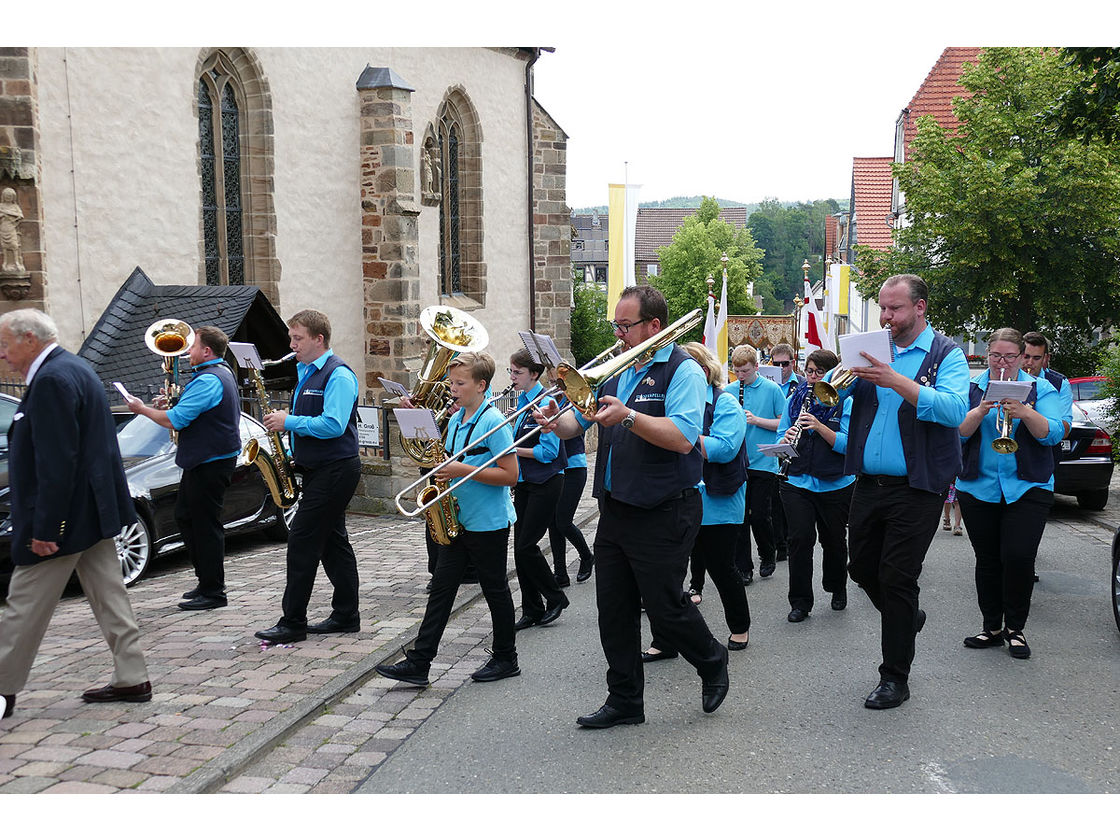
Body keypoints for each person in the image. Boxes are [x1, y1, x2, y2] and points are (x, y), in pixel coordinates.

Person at [537, 285, 729, 728]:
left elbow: (683, 438)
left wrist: (627, 415)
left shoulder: (684, 371)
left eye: (626, 326)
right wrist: (553, 422)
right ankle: (625, 699)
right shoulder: (619, 370)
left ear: (653, 326)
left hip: (665, 506)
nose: (619, 334)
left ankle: (712, 658)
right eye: (617, 326)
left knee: (664, 606)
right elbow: (577, 422)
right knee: (615, 609)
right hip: (617, 507)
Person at [0, 310, 151, 721]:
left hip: (64, 519)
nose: (2, 354)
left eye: (5, 344)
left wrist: (47, 527)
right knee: (109, 594)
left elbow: (57, 462)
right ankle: (132, 676)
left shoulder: (51, 379)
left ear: (29, 339)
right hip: (93, 511)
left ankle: (1, 690)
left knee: (22, 605)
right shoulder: (74, 367)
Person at [833, 274, 970, 710]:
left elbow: (953, 410)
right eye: (882, 309)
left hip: (918, 487)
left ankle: (894, 677)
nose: (886, 317)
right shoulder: (875, 348)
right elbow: (842, 403)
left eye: (895, 309)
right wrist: (842, 383)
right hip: (869, 482)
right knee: (860, 569)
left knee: (897, 578)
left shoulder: (946, 354)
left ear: (921, 308)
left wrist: (896, 380)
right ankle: (908, 616)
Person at [376, 351, 521, 685]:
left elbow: (511, 475)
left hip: (488, 522)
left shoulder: (492, 423)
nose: (452, 389)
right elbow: (438, 460)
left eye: (460, 383)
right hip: (457, 519)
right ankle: (420, 662)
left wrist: (460, 471)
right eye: (451, 382)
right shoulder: (455, 421)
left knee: (495, 589)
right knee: (441, 589)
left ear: (481, 385)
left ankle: (506, 657)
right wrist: (418, 427)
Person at [956, 328, 1063, 660]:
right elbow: (955, 435)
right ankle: (991, 627)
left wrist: (1026, 411)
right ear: (987, 355)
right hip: (978, 485)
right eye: (995, 356)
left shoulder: (1042, 388)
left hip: (1028, 485)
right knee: (987, 560)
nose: (1002, 362)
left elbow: (1053, 433)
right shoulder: (972, 387)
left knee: (1018, 557)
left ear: (1021, 357)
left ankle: (1015, 628)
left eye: (1009, 357)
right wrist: (979, 411)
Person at [255, 309, 362, 644]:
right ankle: (346, 615)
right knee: (333, 543)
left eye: (297, 338)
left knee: (301, 540)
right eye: (291, 337)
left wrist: (288, 422)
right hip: (318, 469)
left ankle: (293, 623)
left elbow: (333, 424)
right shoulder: (305, 371)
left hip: (337, 468)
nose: (291, 344)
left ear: (319, 339)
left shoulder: (339, 375)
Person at [645, 342, 750, 661]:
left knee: (722, 568)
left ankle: (739, 626)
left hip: (718, 503)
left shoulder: (725, 402)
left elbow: (724, 449)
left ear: (703, 372)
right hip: (677, 498)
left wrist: (680, 434)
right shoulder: (672, 403)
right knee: (668, 574)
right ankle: (664, 640)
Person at [126, 326, 241, 610]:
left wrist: (142, 409)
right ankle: (206, 582)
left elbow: (175, 421)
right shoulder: (217, 374)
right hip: (204, 460)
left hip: (209, 462)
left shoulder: (208, 380)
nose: (187, 352)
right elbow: (190, 409)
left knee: (204, 525)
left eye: (192, 347)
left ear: (207, 351)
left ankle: (214, 591)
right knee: (187, 517)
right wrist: (170, 402)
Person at [776, 349, 855, 622]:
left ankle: (836, 586)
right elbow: (779, 435)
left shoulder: (846, 403)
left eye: (819, 372)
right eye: (808, 371)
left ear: (832, 375)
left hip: (835, 483)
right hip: (797, 481)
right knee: (799, 540)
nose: (811, 377)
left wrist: (820, 427)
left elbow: (848, 445)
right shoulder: (794, 400)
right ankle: (800, 602)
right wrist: (785, 438)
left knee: (833, 541)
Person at [507, 348, 569, 630]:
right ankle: (531, 608)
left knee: (526, 545)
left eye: (517, 373)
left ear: (534, 374)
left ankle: (555, 597)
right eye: (511, 371)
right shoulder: (521, 400)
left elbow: (549, 452)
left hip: (546, 481)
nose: (512, 377)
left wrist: (512, 451)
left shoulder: (547, 401)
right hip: (525, 482)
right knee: (520, 550)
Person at [731, 344, 786, 583]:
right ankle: (744, 568)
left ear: (756, 367)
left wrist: (756, 420)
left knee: (760, 515)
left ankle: (768, 554)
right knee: (740, 517)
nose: (741, 376)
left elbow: (783, 423)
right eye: (737, 371)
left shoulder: (772, 389)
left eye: (745, 371)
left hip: (764, 461)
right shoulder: (730, 390)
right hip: (737, 462)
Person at [548, 419, 595, 586]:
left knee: (563, 521)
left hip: (573, 467)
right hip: (555, 469)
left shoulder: (568, 404)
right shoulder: (545, 402)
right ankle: (560, 574)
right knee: (553, 523)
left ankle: (587, 556)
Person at [769, 343, 800, 568]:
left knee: (787, 498)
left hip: (791, 445)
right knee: (771, 501)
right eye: (776, 364)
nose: (781, 368)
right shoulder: (765, 383)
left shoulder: (799, 385)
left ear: (793, 361)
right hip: (768, 446)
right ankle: (778, 543)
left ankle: (788, 541)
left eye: (785, 364)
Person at [1022, 331, 1073, 439]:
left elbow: (1065, 430)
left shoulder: (1060, 383)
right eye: (1026, 356)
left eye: (1036, 358)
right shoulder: (1009, 378)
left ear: (1046, 358)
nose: (1030, 363)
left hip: (1047, 451)